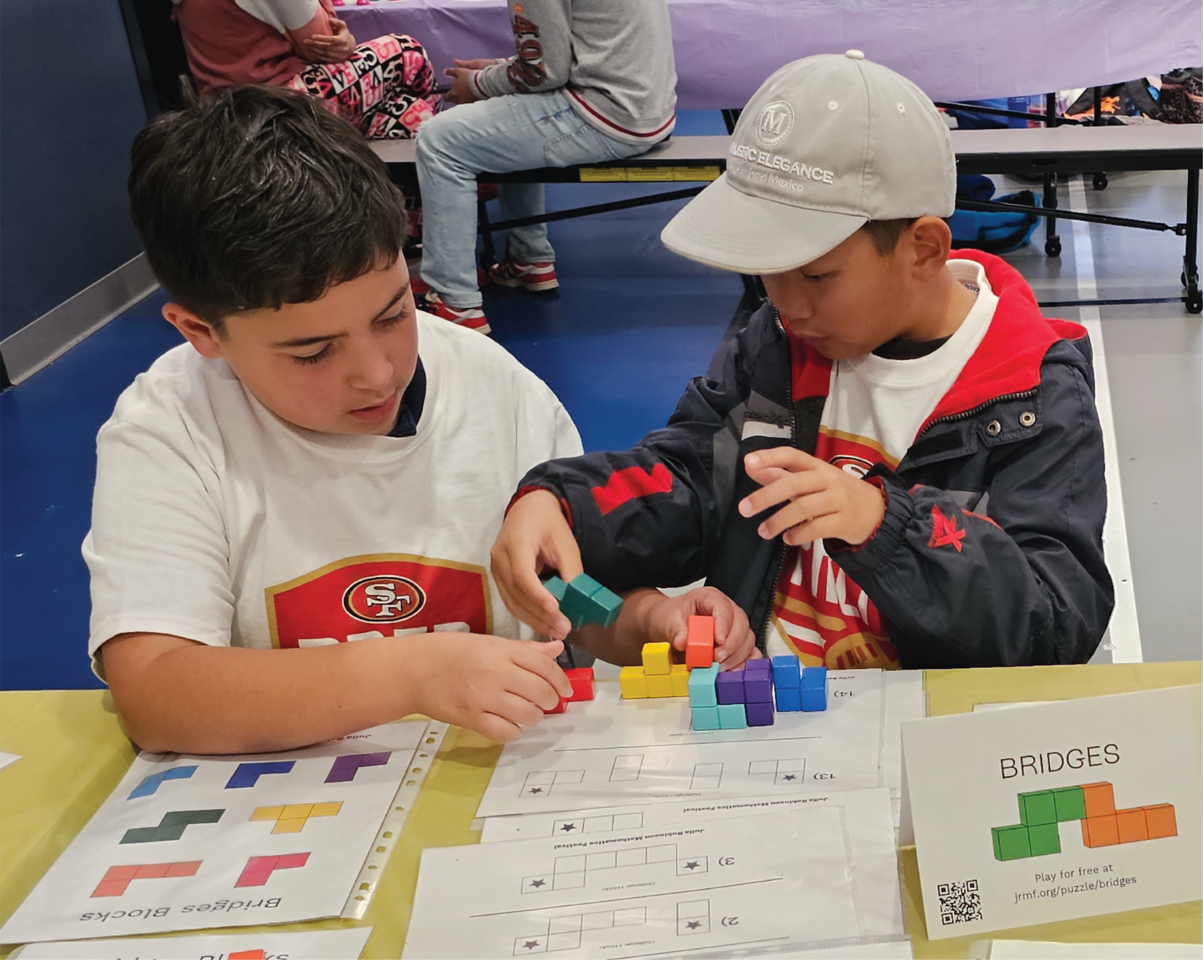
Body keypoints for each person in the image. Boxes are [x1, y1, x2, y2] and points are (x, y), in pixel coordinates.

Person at [491, 53, 1115, 669]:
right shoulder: (778, 347)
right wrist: (562, 502)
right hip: (775, 733)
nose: (787, 305)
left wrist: (883, 523)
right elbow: (688, 478)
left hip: (930, 742)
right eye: (767, 272)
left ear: (923, 249)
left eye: (816, 274)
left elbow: (1054, 627)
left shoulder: (1032, 395)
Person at [85, 85, 579, 756]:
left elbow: (580, 602)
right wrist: (411, 673)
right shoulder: (172, 430)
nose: (376, 374)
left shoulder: (500, 390)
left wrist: (641, 616)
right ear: (201, 331)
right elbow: (154, 694)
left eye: (393, 314)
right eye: (312, 352)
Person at [413, 0, 678, 334]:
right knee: (503, 119)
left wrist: (479, 83)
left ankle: (454, 303)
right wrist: (497, 70)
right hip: (646, 109)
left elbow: (542, 74)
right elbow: (571, 50)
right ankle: (529, 257)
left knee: (440, 140)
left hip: (604, 113)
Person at [174, 0, 440, 141]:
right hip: (278, 106)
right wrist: (344, 41)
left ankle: (405, 240)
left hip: (223, 114)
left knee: (413, 117)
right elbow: (322, 42)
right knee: (407, 51)